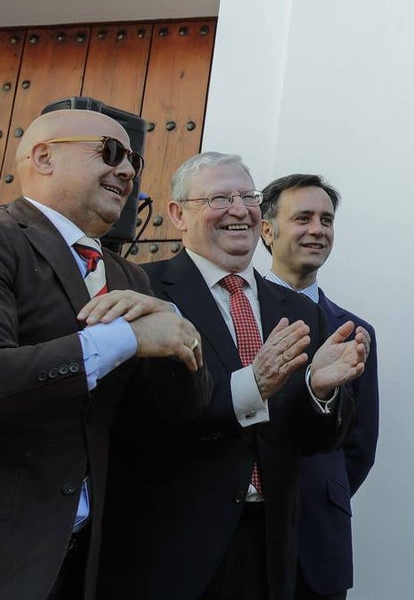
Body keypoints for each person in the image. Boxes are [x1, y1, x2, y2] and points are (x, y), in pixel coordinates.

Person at [98, 153, 369, 600]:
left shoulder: (299, 310)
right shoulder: (142, 289)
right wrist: (252, 386)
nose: (239, 209)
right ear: (178, 214)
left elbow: (321, 443)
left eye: (248, 196)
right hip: (172, 547)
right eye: (219, 198)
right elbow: (138, 416)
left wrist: (320, 393)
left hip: (271, 548)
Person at [0, 109, 207, 600]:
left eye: (134, 160)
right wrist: (125, 339)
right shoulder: (6, 239)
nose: (128, 171)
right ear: (44, 157)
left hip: (83, 559)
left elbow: (170, 414)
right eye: (110, 152)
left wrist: (179, 332)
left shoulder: (129, 276)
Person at [259, 174, 379, 600]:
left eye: (326, 220)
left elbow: (360, 444)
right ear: (267, 230)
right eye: (303, 218)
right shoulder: (234, 312)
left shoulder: (355, 331)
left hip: (320, 540)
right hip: (241, 533)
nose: (317, 229)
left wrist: (325, 489)